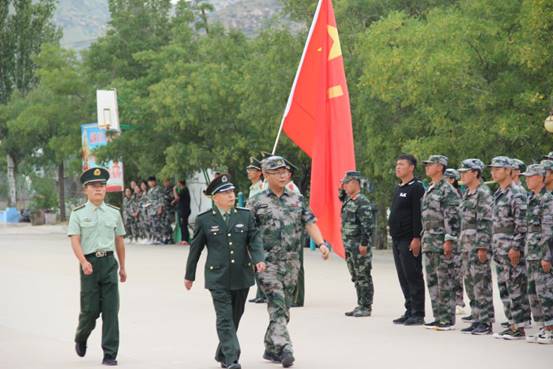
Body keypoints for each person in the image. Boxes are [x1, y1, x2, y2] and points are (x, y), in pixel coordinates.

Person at [248, 156, 330, 368]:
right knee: (276, 302)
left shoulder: (296, 199)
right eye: (277, 172)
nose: (284, 175)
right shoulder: (256, 202)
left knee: (283, 307)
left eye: (286, 171)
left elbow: (309, 223)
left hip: (292, 262)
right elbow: (247, 233)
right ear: (266, 175)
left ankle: (270, 346)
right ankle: (285, 347)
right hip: (266, 263)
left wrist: (321, 244)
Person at [185, 174, 266, 369]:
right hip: (217, 276)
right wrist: (190, 275)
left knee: (235, 316)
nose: (231, 195)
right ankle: (232, 358)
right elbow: (195, 249)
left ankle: (222, 353)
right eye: (225, 192)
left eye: (232, 191)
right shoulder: (204, 220)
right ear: (214, 197)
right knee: (224, 318)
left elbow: (254, 240)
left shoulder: (244, 215)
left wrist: (259, 259)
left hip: (241, 274)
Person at [67, 167, 127, 366]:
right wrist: (83, 261)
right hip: (89, 265)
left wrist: (122, 267)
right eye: (94, 186)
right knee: (90, 310)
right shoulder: (77, 214)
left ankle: (110, 353)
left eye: (102, 186)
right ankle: (81, 336)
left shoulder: (114, 213)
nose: (98, 189)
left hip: (109, 263)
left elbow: (119, 241)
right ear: (85, 190)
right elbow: (75, 241)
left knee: (111, 310)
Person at [489, 156, 531, 340]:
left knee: (516, 288)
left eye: (498, 169)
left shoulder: (517, 193)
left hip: (511, 249)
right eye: (493, 169)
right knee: (505, 288)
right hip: (499, 250)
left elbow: (522, 224)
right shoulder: (499, 192)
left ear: (508, 171)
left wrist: (516, 248)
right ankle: (512, 324)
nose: (494, 172)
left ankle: (519, 327)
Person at [421, 155, 461, 331]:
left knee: (445, 280)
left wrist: (449, 239)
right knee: (432, 281)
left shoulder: (447, 190)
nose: (427, 167)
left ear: (440, 167)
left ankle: (446, 318)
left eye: (429, 165)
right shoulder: (431, 188)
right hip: (429, 241)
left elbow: (452, 218)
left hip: (442, 242)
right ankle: (438, 316)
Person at [457, 159, 495, 335]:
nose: (462, 175)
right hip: (466, 246)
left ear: (475, 173)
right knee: (471, 283)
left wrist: (482, 247)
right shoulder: (467, 193)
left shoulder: (482, 193)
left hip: (477, 245)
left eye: (465, 172)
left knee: (482, 284)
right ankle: (477, 317)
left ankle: (486, 322)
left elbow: (485, 222)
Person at [388, 154, 426, 326]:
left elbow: (418, 215)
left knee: (413, 275)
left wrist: (416, 237)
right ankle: (409, 309)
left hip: (409, 239)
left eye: (401, 164)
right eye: (397, 164)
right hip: (397, 239)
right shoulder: (399, 187)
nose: (398, 167)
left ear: (411, 167)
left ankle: (418, 312)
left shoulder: (416, 187)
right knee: (403, 276)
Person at [520, 164, 553, 344]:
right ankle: (542, 327)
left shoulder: (547, 200)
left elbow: (548, 230)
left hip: (541, 253)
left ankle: (551, 329)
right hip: (530, 253)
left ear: (540, 178)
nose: (527, 179)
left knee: (545, 292)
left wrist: (546, 255)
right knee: (533, 292)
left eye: (531, 176)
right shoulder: (531, 198)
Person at [340, 170, 375, 318]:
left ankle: (366, 306)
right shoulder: (349, 200)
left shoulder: (362, 201)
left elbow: (367, 225)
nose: (344, 186)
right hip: (349, 245)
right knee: (355, 275)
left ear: (355, 183)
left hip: (359, 244)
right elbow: (340, 195)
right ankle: (360, 303)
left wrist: (364, 243)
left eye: (346, 183)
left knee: (363, 275)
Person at [246, 157, 267, 304]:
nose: (249, 172)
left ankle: (264, 292)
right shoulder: (253, 188)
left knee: (260, 259)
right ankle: (260, 292)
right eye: (248, 170)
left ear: (259, 173)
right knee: (254, 260)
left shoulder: (262, 188)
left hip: (259, 229)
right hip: (252, 227)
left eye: (252, 170)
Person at [444, 168, 465, 314]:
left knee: (457, 271)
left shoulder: (457, 196)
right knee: (447, 271)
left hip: (457, 238)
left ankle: (459, 301)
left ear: (452, 180)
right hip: (446, 238)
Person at [147, 176, 165, 245]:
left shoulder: (158, 189)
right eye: (149, 182)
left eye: (150, 182)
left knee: (158, 224)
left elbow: (161, 199)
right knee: (153, 225)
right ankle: (155, 238)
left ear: (154, 182)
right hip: (151, 210)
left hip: (156, 209)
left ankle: (160, 238)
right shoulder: (150, 190)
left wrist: (160, 208)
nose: (149, 183)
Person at [174, 179, 192, 245]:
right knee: (182, 225)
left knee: (184, 225)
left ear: (180, 183)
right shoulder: (183, 190)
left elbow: (177, 198)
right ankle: (183, 239)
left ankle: (185, 240)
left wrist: (174, 190)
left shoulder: (184, 190)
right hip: (183, 210)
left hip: (184, 210)